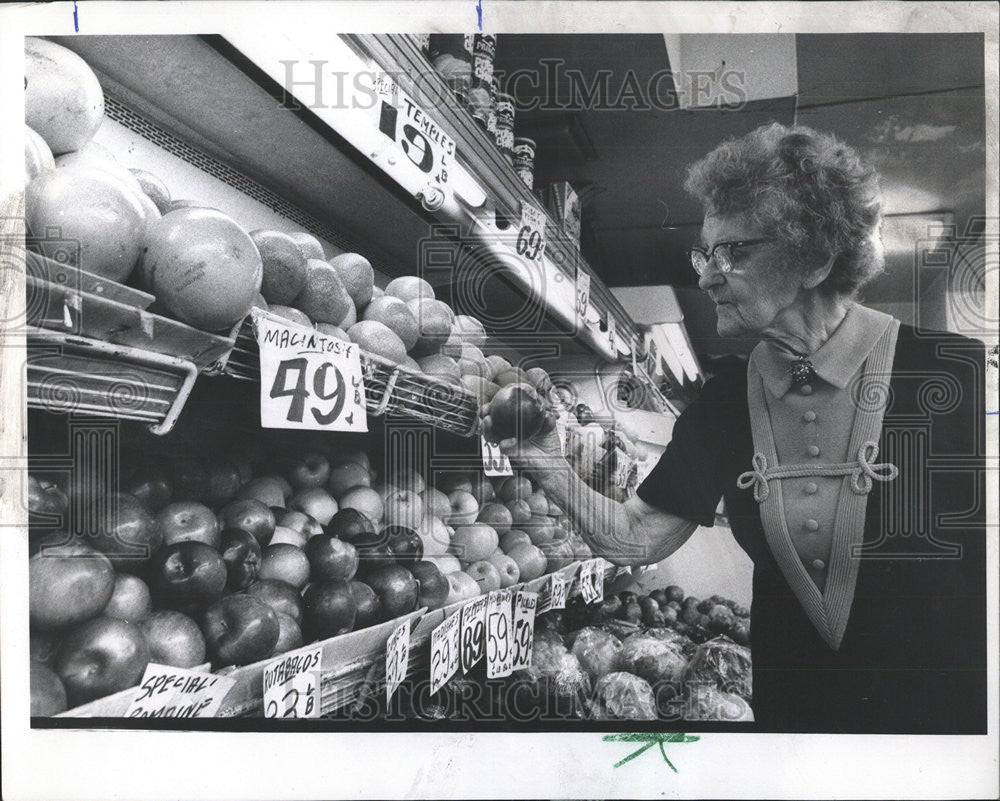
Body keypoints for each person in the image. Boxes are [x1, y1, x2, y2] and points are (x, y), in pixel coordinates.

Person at [483, 123, 986, 733]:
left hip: (945, 738)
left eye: (734, 252)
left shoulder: (954, 374)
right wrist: (541, 458)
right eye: (704, 253)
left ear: (815, 257)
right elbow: (637, 538)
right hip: (791, 732)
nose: (706, 276)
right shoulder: (725, 402)